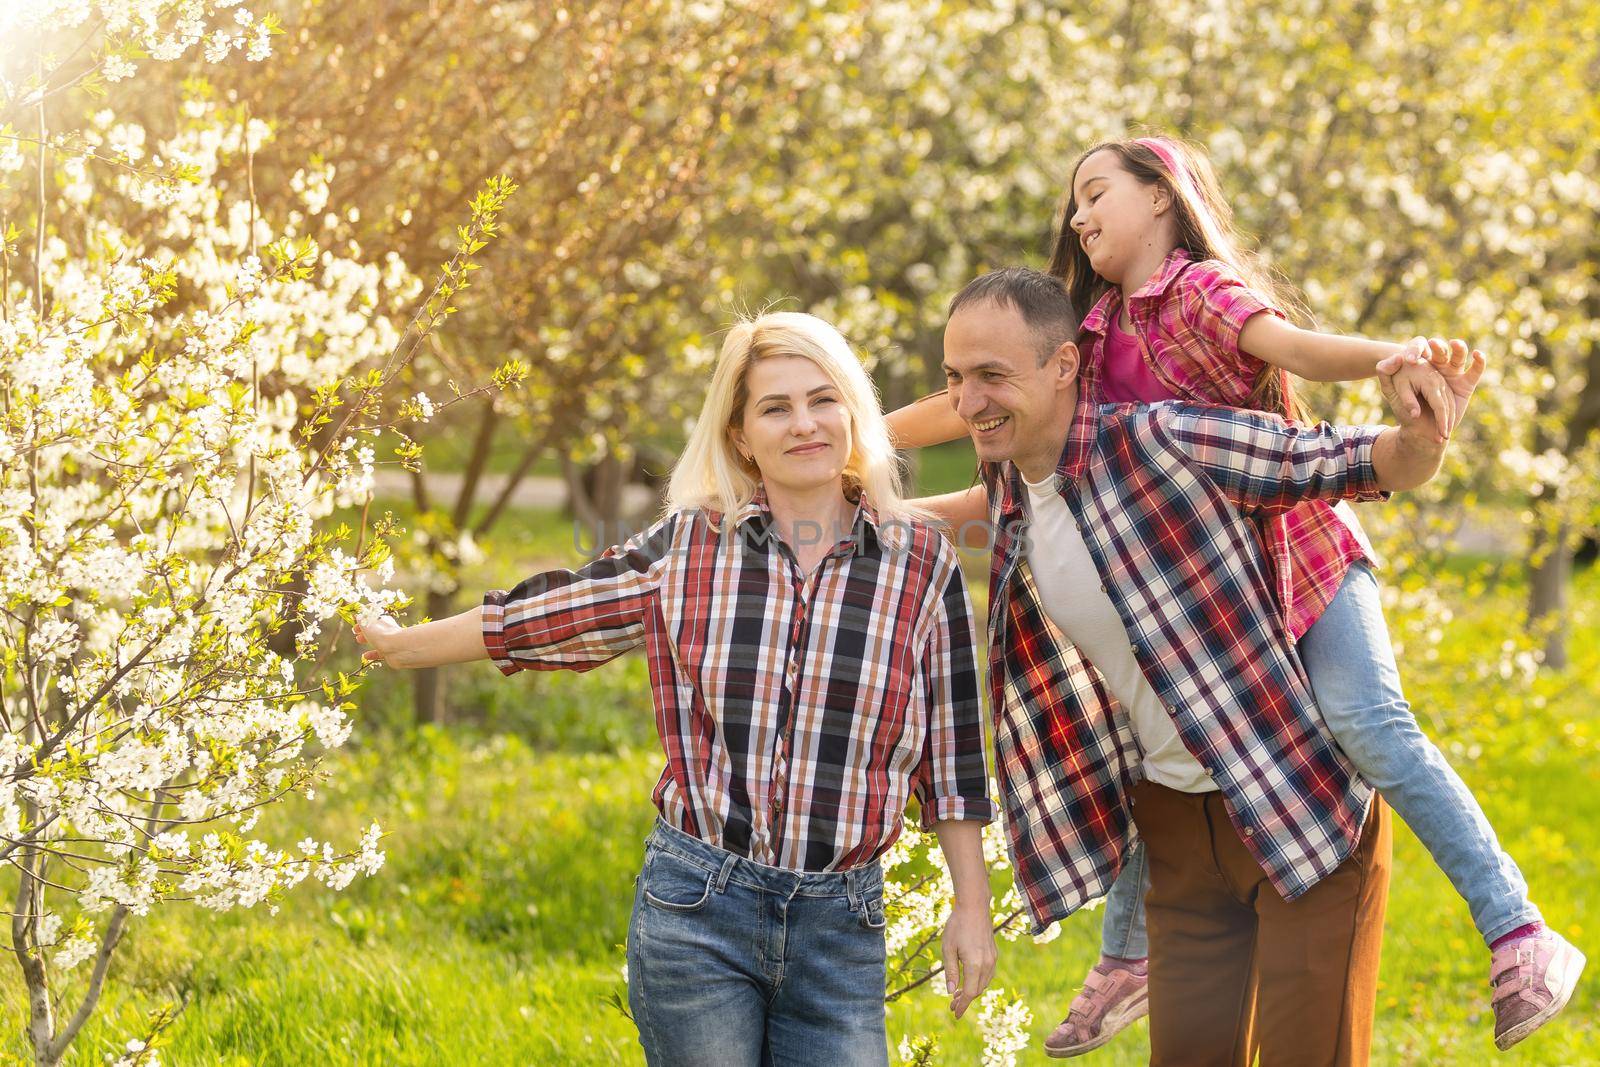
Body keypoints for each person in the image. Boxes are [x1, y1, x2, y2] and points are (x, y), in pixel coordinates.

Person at [888, 136, 1583, 1056]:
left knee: (1364, 716)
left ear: (1165, 199)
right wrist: (849, 436)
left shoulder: (1199, 294)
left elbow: (1298, 348)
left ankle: (1516, 925)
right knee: (1147, 703)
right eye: (1073, 201)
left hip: (1299, 547)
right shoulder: (1089, 338)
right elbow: (981, 402)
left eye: (1097, 192)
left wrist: (1397, 359)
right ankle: (1129, 953)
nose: (1079, 214)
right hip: (1216, 581)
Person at [356, 312, 998, 1066]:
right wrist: (405, 647)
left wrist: (972, 906)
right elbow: (549, 615)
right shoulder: (692, 546)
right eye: (774, 407)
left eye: (823, 399)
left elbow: (953, 758)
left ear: (854, 412)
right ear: (738, 435)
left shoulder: (918, 561)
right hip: (699, 908)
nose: (804, 424)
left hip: (841, 927)